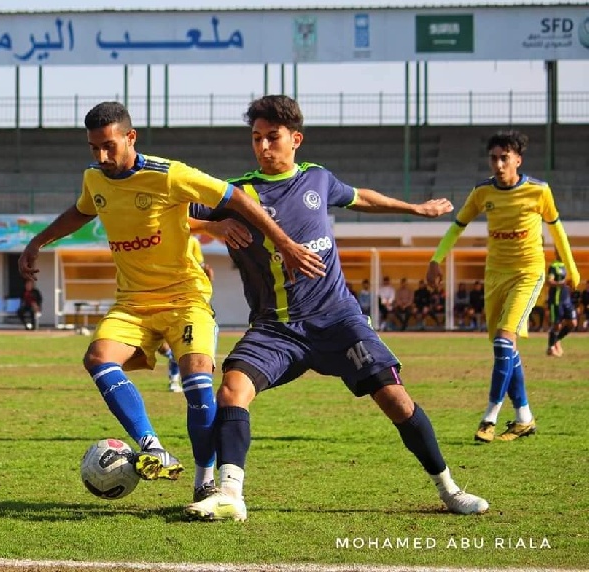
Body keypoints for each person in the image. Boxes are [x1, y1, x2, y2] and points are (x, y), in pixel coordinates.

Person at [184, 94, 488, 521]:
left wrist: (412, 208)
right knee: (233, 388)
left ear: (296, 140)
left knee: (396, 399)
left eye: (273, 138)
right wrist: (214, 223)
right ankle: (231, 494)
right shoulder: (237, 193)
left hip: (339, 319)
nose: (264, 147)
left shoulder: (319, 179)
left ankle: (450, 490)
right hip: (276, 327)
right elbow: (172, 212)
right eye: (257, 139)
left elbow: (359, 196)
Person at [17, 101, 323, 503]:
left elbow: (234, 196)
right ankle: (152, 446)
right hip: (132, 302)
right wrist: (38, 241)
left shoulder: (170, 174)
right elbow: (80, 211)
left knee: (198, 382)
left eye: (109, 146)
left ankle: (205, 480)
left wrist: (282, 241)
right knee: (97, 358)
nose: (102, 156)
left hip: (186, 298)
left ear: (131, 137)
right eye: (94, 148)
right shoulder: (95, 179)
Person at [427, 130, 580, 444]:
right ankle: (524, 417)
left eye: (504, 158)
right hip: (495, 275)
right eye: (493, 158)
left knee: (502, 342)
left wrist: (573, 269)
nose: (497, 164)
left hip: (528, 272)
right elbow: (458, 226)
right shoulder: (483, 192)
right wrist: (436, 260)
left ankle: (489, 417)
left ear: (517, 160)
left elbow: (558, 230)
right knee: (506, 349)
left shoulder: (539, 191)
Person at [158, 234, 215, 393]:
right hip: (161, 296)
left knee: (184, 343)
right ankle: (173, 358)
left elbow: (201, 266)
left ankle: (175, 381)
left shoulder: (192, 241)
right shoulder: (160, 238)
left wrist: (207, 280)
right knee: (159, 345)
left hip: (187, 299)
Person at [546, 249, 577, 357]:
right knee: (557, 325)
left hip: (567, 299)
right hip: (556, 300)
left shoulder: (568, 265)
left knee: (573, 323)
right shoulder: (554, 266)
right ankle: (550, 348)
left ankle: (556, 341)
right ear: (556, 252)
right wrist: (562, 283)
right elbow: (549, 282)